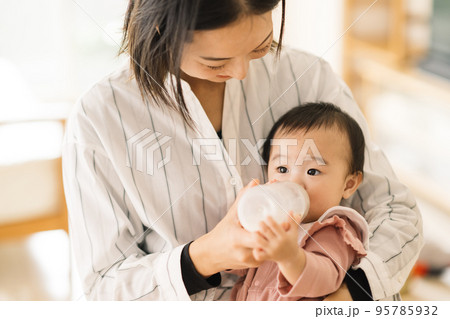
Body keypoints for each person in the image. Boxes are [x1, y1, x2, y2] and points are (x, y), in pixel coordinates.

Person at [62, 0, 423, 301]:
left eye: (260, 47)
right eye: (215, 63)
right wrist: (205, 256)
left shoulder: (306, 75)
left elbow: (394, 209)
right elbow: (103, 286)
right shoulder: (100, 117)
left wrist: (344, 297)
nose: (240, 73)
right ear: (160, 31)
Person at [230, 102, 369, 300]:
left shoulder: (334, 230)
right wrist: (242, 226)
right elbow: (235, 264)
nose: (293, 182)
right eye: (282, 169)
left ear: (348, 184)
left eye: (313, 171)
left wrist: (290, 257)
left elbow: (324, 279)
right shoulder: (269, 221)